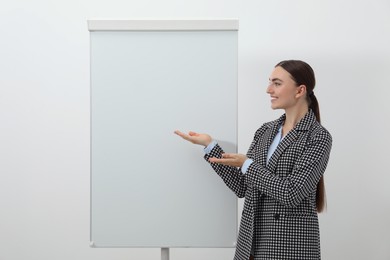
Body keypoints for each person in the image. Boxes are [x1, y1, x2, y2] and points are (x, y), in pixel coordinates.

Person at [174, 60, 332, 260]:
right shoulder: (265, 131)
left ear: (300, 90)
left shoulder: (317, 137)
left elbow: (291, 193)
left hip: (289, 247)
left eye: (277, 83)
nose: (268, 89)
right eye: (269, 82)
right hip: (251, 245)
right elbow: (242, 185)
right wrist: (210, 146)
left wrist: (247, 164)